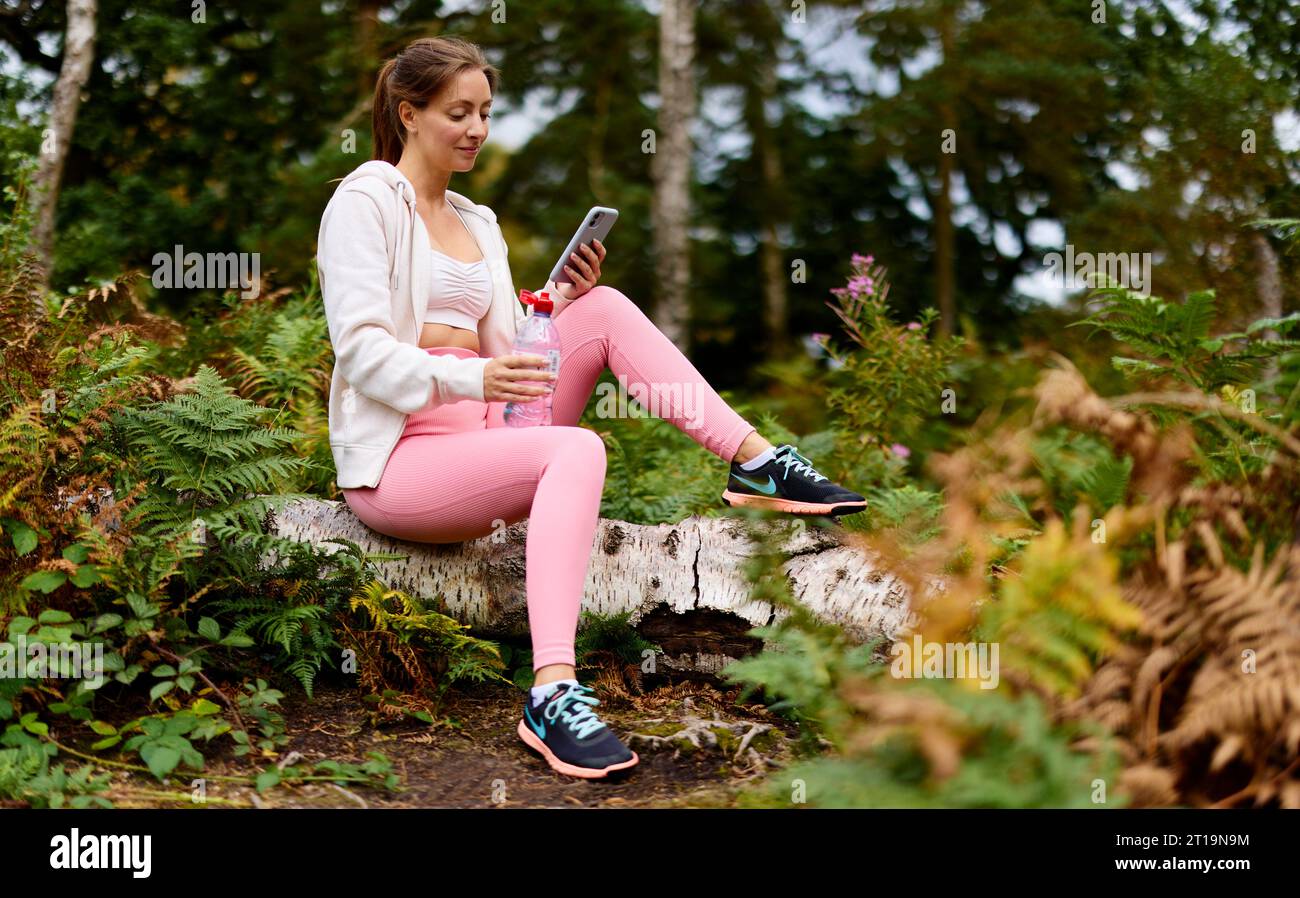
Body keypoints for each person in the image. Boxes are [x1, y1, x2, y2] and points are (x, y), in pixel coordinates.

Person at [316, 36, 866, 779]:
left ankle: (758, 464)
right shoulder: (365, 199)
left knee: (601, 306)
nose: (477, 128)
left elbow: (509, 341)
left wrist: (556, 304)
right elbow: (361, 353)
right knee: (577, 448)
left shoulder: (477, 221)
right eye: (458, 112)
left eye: (485, 111)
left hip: (488, 432)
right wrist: (474, 380)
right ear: (408, 113)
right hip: (403, 467)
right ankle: (551, 692)